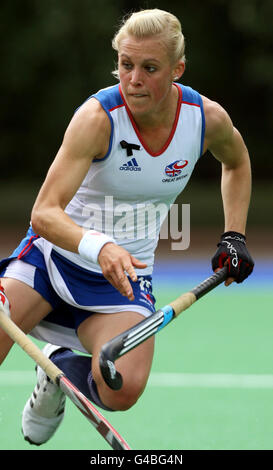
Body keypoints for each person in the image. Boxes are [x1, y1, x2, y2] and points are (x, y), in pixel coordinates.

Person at [0, 8, 254, 445]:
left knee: (121, 387)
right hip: (51, 261)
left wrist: (234, 234)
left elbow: (237, 161)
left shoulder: (204, 119)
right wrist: (99, 246)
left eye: (149, 68)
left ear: (177, 70)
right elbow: (43, 213)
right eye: (125, 64)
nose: (133, 79)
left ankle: (56, 370)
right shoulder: (98, 119)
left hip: (123, 281)